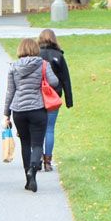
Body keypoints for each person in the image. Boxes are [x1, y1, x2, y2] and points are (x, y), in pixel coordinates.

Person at [3, 38, 58, 193]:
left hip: (19, 110)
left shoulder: (13, 66)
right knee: (37, 143)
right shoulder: (43, 64)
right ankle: (34, 168)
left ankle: (29, 179)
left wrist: (6, 114)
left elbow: (10, 92)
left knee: (25, 143)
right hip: (37, 108)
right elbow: (54, 82)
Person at [37, 29, 73, 172]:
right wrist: (69, 100)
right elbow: (66, 79)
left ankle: (38, 157)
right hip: (54, 97)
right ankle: (48, 161)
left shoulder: (36, 54)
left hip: (38, 96)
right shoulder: (58, 55)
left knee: (38, 129)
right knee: (49, 128)